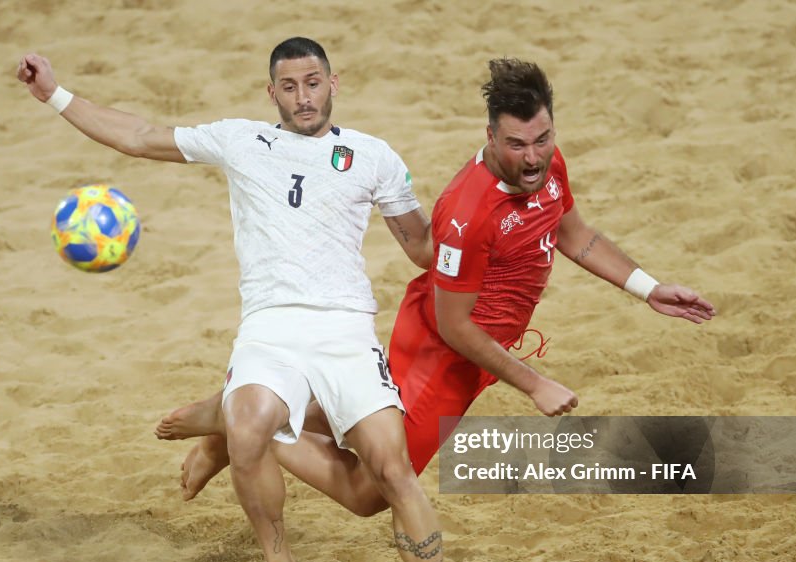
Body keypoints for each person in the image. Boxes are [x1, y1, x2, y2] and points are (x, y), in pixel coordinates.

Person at [17, 38, 478, 562]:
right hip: (271, 327)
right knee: (250, 424)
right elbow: (139, 135)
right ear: (273, 93)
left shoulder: (373, 157)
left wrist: (482, 202)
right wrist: (54, 93)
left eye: (313, 83)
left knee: (392, 472)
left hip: (345, 330)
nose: (303, 97)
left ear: (333, 83)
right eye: (289, 86)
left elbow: (424, 251)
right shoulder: (241, 140)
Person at [156, 57, 716, 516]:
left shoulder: (547, 163)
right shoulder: (469, 213)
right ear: (491, 136)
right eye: (518, 145)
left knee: (360, 420)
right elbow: (453, 325)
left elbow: (575, 233)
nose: (534, 158)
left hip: (482, 351)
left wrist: (648, 287)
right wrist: (534, 383)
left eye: (543, 139)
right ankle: (240, 423)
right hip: (443, 353)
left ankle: (245, 414)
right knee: (368, 494)